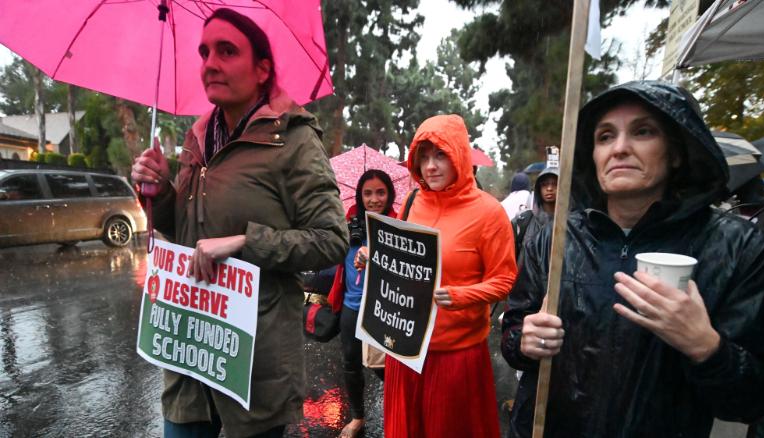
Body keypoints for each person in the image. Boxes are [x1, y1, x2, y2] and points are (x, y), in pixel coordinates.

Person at [501, 81, 764, 438]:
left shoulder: (738, 248)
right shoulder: (554, 239)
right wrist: (524, 341)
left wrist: (706, 347)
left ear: (677, 150)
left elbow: (756, 400)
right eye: (604, 136)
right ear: (593, 154)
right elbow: (514, 331)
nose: (619, 148)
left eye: (643, 131)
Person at [131, 8, 348, 437]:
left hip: (253, 366)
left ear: (262, 68)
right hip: (188, 355)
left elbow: (330, 240)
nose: (209, 62)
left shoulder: (294, 140)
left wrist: (242, 242)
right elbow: (187, 234)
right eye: (204, 51)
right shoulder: (196, 139)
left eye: (227, 51)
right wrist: (159, 191)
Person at [383, 114, 517, 437]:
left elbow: (505, 279)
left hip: (455, 357)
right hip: (406, 350)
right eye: (424, 156)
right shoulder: (413, 202)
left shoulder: (489, 213)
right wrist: (373, 259)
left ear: (459, 153)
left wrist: (461, 296)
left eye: (440, 154)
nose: (430, 166)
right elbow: (402, 260)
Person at [327, 169, 397, 438]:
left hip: (383, 307)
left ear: (389, 194)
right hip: (351, 304)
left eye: (380, 192)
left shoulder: (397, 224)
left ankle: (398, 410)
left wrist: (375, 252)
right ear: (359, 195)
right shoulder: (349, 221)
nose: (374, 199)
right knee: (351, 363)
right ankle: (357, 417)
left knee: (384, 366)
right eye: (367, 193)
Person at [511, 165, 558, 264]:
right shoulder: (524, 220)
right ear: (538, 188)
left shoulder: (572, 223)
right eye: (545, 185)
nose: (549, 188)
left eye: (554, 184)